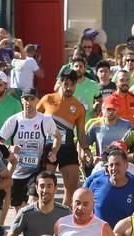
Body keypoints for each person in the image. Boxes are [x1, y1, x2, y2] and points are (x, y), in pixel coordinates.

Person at [0, 89, 60, 212]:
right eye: (26, 99)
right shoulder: (13, 120)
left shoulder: (45, 120)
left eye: (32, 99)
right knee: (18, 207)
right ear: (21, 100)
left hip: (36, 169)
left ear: (37, 101)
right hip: (17, 170)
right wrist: (10, 148)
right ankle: (24, 228)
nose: (28, 102)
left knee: (33, 203)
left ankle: (33, 227)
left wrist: (54, 151)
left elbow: (57, 136)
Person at [37, 71, 89, 207]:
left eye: (72, 85)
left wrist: (87, 150)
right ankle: (44, 213)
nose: (69, 88)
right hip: (49, 147)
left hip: (68, 148)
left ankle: (64, 217)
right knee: (45, 187)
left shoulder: (79, 107)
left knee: (72, 189)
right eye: (66, 84)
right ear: (60, 82)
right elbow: (33, 121)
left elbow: (81, 134)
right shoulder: (47, 99)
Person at [6, 172, 70, 236]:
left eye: (49, 186)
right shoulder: (26, 213)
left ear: (55, 188)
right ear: (36, 188)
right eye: (42, 186)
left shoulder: (65, 213)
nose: (45, 190)